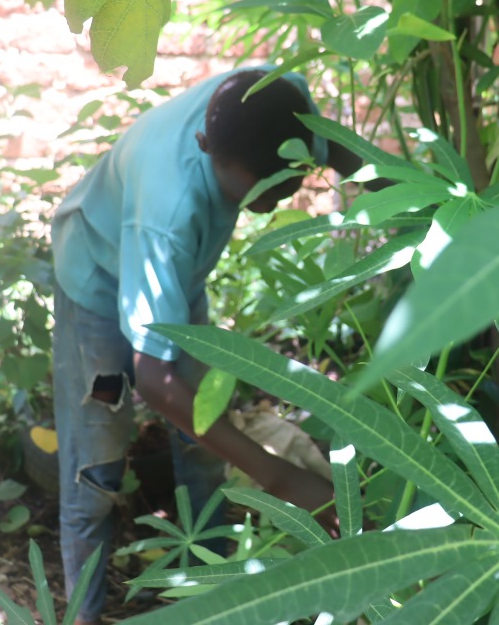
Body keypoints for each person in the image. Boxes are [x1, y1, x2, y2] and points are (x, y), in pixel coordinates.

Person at [50, 67, 361, 624]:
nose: (273, 196)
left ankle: (212, 598)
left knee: (201, 439)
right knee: (94, 468)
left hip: (175, 281)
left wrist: (427, 215)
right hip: (97, 277)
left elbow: (336, 144)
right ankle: (83, 615)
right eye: (256, 187)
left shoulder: (273, 107)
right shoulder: (170, 208)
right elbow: (155, 381)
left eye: (286, 180)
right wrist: (282, 477)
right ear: (204, 148)